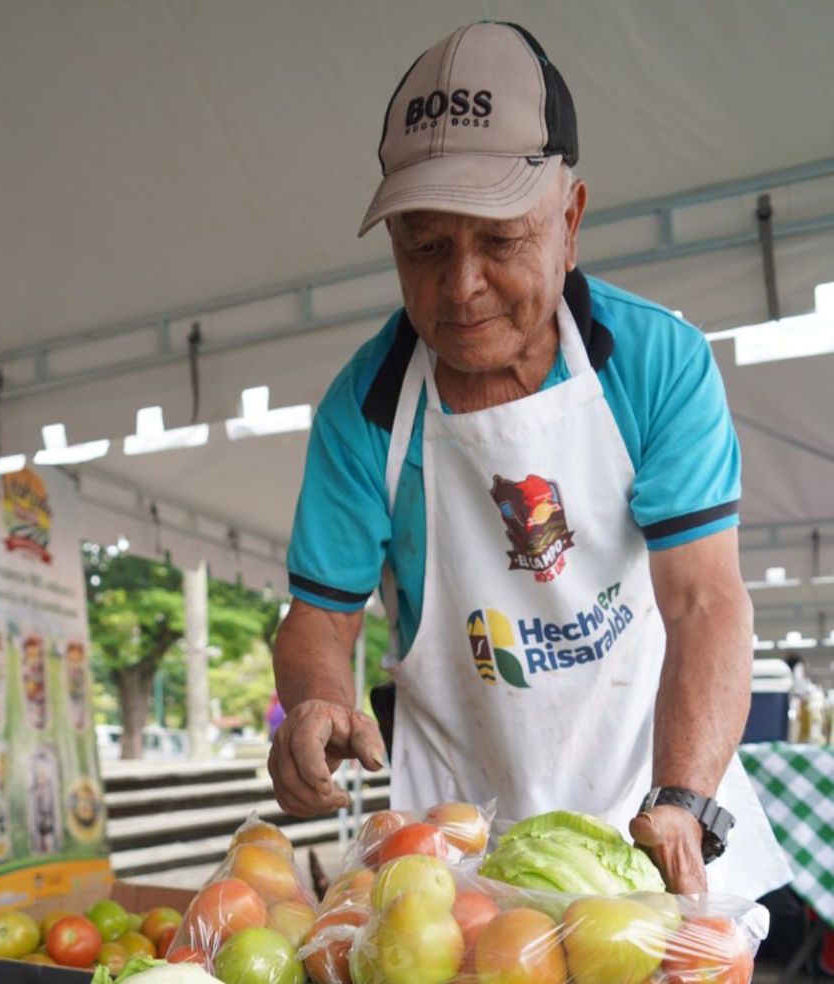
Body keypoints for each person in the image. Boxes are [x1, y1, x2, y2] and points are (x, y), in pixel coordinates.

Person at [268, 21, 790, 900]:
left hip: (653, 819)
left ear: (570, 220)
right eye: (425, 245)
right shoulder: (365, 411)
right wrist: (318, 698)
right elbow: (320, 616)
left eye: (499, 239)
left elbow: (703, 599)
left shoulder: (654, 364)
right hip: (459, 857)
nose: (460, 283)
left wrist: (684, 797)